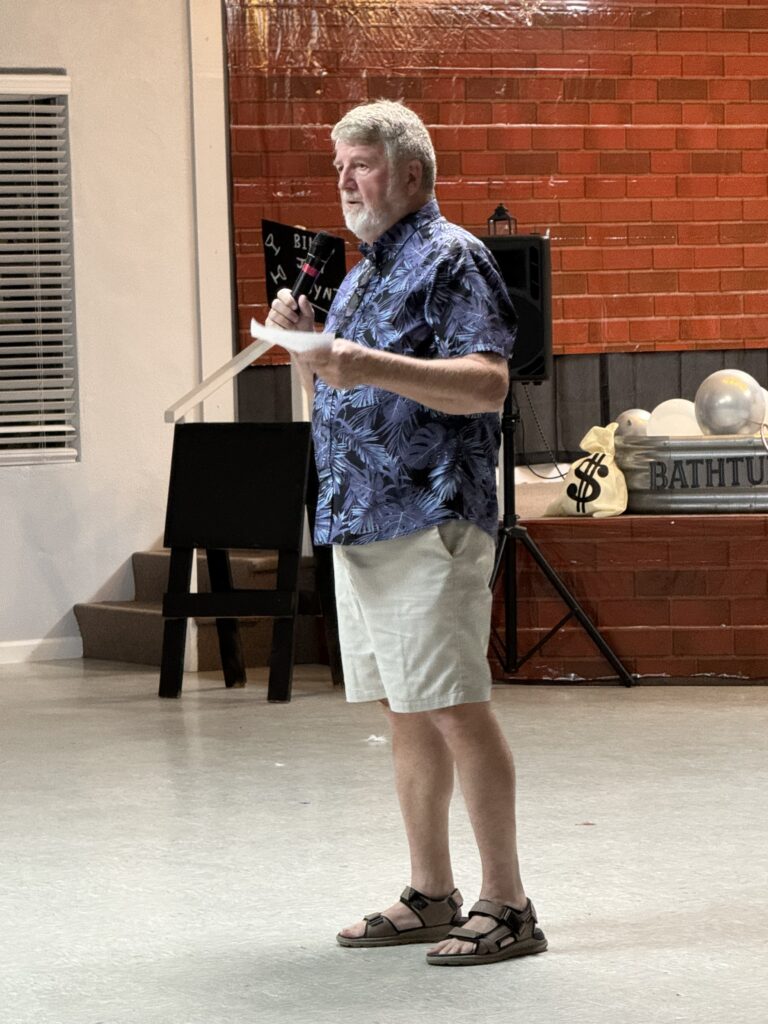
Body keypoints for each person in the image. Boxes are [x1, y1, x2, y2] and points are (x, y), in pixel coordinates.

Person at [266, 100, 547, 967]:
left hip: (431, 516)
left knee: (455, 704)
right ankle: (431, 892)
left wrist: (362, 362)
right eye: (339, 167)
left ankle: (509, 904)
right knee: (408, 709)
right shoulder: (358, 278)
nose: (345, 181)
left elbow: (487, 383)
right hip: (361, 518)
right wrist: (311, 349)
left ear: (413, 172)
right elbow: (340, 398)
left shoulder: (451, 257)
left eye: (362, 164)